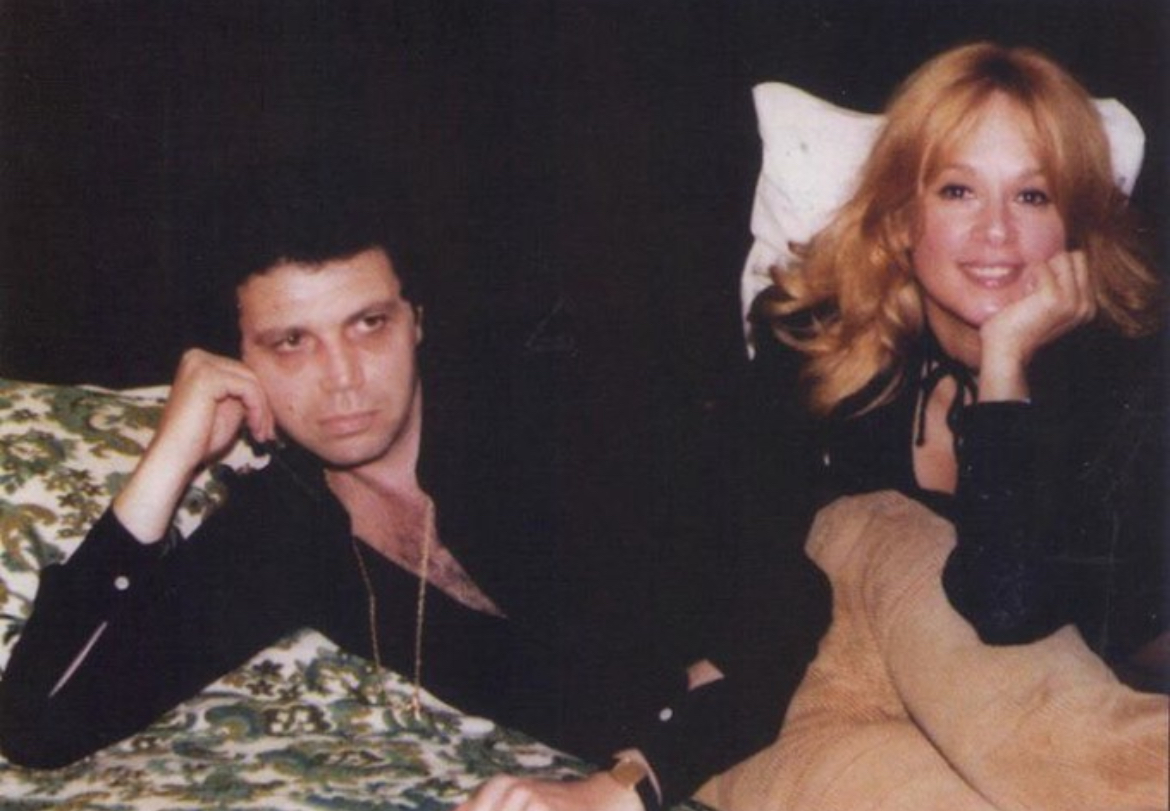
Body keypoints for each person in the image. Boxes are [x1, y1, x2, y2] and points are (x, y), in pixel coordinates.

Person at [0, 157, 831, 811]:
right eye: (291, 342)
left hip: (827, 632)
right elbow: (37, 724)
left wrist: (617, 789)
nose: (343, 379)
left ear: (416, 321)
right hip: (715, 751)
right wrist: (166, 461)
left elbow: (786, 604)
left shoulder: (543, 428)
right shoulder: (282, 534)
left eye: (368, 324)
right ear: (238, 362)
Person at [749, 41, 1166, 691]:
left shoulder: (1125, 370)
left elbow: (1008, 605)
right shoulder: (817, 338)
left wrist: (1004, 365)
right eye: (958, 190)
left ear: (1074, 228)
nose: (996, 230)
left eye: (1033, 196)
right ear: (902, 217)